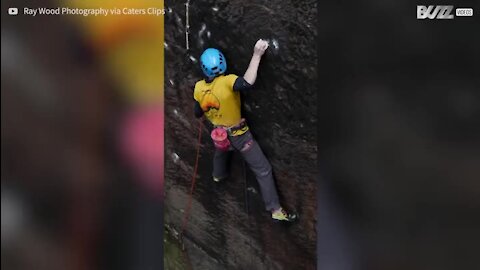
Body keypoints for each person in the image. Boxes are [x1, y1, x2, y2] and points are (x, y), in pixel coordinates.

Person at [193, 39, 297, 222]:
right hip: (240, 136)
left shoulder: (198, 88)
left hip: (220, 134)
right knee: (263, 170)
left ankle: (218, 176)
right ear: (222, 63)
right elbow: (247, 82)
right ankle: (275, 210)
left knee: (221, 151)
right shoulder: (228, 82)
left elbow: (197, 113)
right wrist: (257, 55)